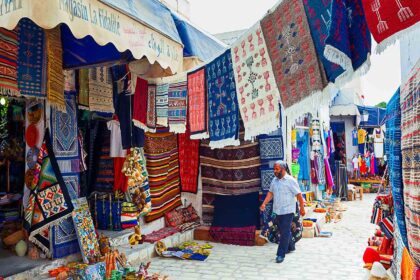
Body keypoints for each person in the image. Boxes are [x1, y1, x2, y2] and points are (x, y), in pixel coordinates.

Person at [260, 160, 306, 263]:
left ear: (283, 169)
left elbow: (299, 195)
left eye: (277, 169)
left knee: (284, 231)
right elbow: (270, 193)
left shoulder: (291, 181)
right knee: (284, 230)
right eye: (274, 169)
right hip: (277, 210)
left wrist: (302, 208)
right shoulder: (274, 181)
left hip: (288, 210)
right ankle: (291, 246)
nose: (275, 171)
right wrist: (264, 203)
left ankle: (280, 254)